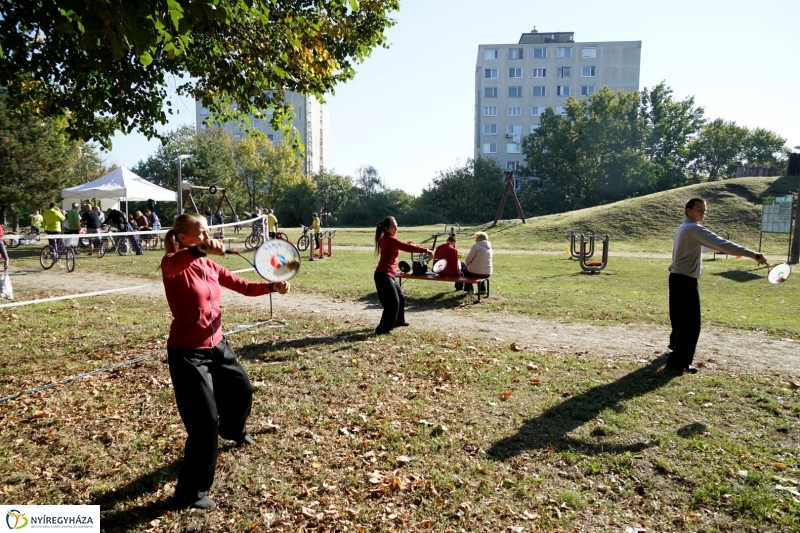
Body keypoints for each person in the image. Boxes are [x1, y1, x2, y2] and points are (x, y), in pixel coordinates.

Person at [161, 213, 290, 510]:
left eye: (208, 232)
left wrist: (272, 286)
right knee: (204, 425)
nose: (207, 236)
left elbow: (243, 286)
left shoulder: (209, 264)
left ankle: (233, 430)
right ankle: (189, 493)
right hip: (187, 353)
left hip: (217, 344)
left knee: (241, 390)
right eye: (201, 233)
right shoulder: (174, 264)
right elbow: (176, 264)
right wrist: (199, 249)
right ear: (183, 238)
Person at [666, 198, 766, 374]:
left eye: (704, 210)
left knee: (680, 320)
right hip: (685, 280)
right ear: (688, 211)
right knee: (691, 324)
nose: (702, 213)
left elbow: (703, 246)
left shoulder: (684, 227)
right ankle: (678, 363)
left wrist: (716, 248)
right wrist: (752, 254)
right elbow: (721, 242)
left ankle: (676, 350)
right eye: (699, 210)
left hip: (677, 278)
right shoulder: (692, 228)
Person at [373, 216, 432, 335]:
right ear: (386, 228)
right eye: (394, 226)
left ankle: (398, 321)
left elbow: (401, 246)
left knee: (400, 297)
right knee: (393, 302)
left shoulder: (389, 238)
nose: (396, 228)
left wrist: (410, 245)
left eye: (396, 226)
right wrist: (426, 250)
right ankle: (382, 329)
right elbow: (405, 247)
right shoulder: (389, 239)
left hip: (389, 274)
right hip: (383, 275)